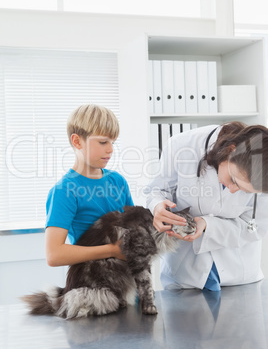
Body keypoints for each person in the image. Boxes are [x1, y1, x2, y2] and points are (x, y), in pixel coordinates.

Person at [145, 121, 268, 291]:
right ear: (231, 150)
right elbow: (157, 190)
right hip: (185, 272)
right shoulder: (181, 145)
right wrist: (158, 206)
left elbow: (255, 227)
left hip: (240, 275)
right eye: (233, 180)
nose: (233, 190)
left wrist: (207, 225)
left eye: (244, 190)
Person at [45, 104, 133, 267]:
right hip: (93, 284)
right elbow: (54, 255)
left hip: (128, 283)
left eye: (112, 142)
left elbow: (134, 227)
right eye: (103, 142)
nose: (110, 149)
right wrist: (112, 250)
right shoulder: (64, 191)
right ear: (77, 141)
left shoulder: (118, 181)